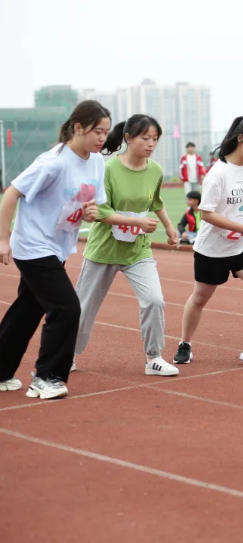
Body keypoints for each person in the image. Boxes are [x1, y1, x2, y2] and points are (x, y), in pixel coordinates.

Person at [0, 100, 109, 399]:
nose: (102, 138)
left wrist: (90, 213)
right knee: (66, 307)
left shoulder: (96, 161)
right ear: (78, 127)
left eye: (106, 132)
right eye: (97, 131)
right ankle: (47, 377)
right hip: (33, 246)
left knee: (27, 309)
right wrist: (3, 240)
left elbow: (91, 205)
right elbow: (11, 193)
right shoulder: (53, 162)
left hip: (56, 246)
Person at [73, 115, 180, 377]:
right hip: (103, 250)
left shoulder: (155, 170)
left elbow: (155, 202)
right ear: (128, 138)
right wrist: (138, 222)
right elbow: (101, 212)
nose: (151, 143)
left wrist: (168, 226)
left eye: (155, 139)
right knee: (83, 308)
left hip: (137, 250)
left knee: (154, 300)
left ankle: (154, 358)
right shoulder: (108, 169)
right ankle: (65, 354)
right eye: (145, 138)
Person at [173, 115, 243, 365]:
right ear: (241, 138)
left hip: (242, 244)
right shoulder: (217, 173)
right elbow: (206, 214)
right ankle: (185, 343)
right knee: (200, 298)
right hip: (213, 248)